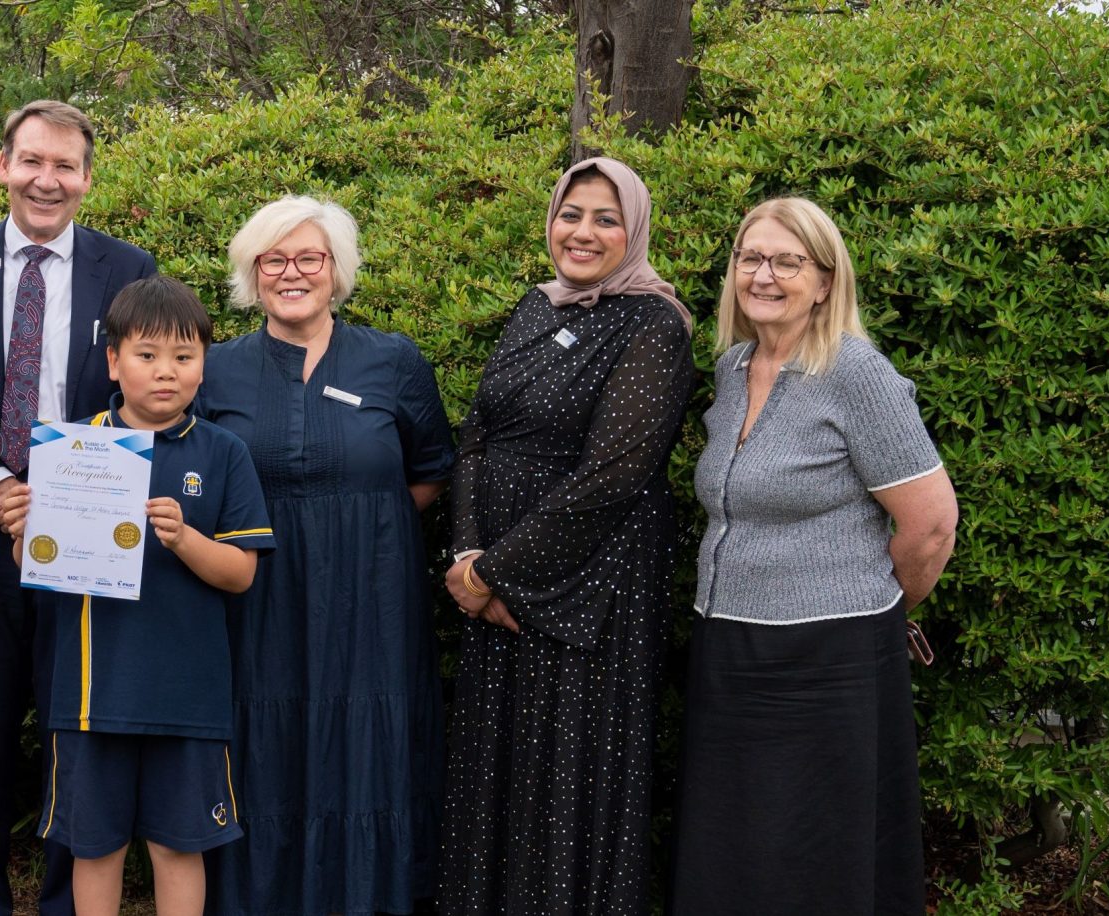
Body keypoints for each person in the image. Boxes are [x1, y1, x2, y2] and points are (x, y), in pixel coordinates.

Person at [672, 197, 957, 915]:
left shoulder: (857, 373)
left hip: (832, 662)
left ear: (826, 281)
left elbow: (931, 527)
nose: (763, 275)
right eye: (750, 258)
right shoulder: (733, 369)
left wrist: (870, 608)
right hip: (729, 648)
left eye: (786, 262)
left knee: (817, 851)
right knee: (734, 842)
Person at [440, 157, 695, 915]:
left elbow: (615, 474)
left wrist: (497, 575)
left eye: (605, 219)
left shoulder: (655, 325)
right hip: (494, 591)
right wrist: (464, 561)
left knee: (566, 782)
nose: (582, 233)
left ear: (635, 231)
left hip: (588, 594)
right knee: (500, 778)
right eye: (571, 213)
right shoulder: (536, 306)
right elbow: (477, 437)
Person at [198, 196, 454, 915]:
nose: (291, 272)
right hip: (259, 595)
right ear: (252, 273)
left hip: (373, 598)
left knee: (368, 743)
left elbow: (432, 467)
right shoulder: (215, 370)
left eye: (308, 257)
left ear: (336, 269)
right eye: (273, 259)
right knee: (265, 738)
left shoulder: (394, 360)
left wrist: (363, 532)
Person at [0, 99, 157, 916]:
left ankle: (68, 901)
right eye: (32, 161)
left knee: (77, 734)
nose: (46, 179)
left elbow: (143, 398)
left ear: (87, 179)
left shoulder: (130, 268)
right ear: (2, 165)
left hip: (90, 539)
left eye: (65, 165)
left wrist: (60, 497)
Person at [0, 276, 276, 916]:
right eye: (147, 356)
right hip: (94, 696)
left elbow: (240, 574)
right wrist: (22, 531)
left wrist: (184, 538)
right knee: (94, 849)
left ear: (205, 364)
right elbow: (37, 565)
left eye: (185, 357)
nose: (166, 373)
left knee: (181, 848)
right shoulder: (73, 448)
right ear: (114, 361)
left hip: (190, 698)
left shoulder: (224, 452)